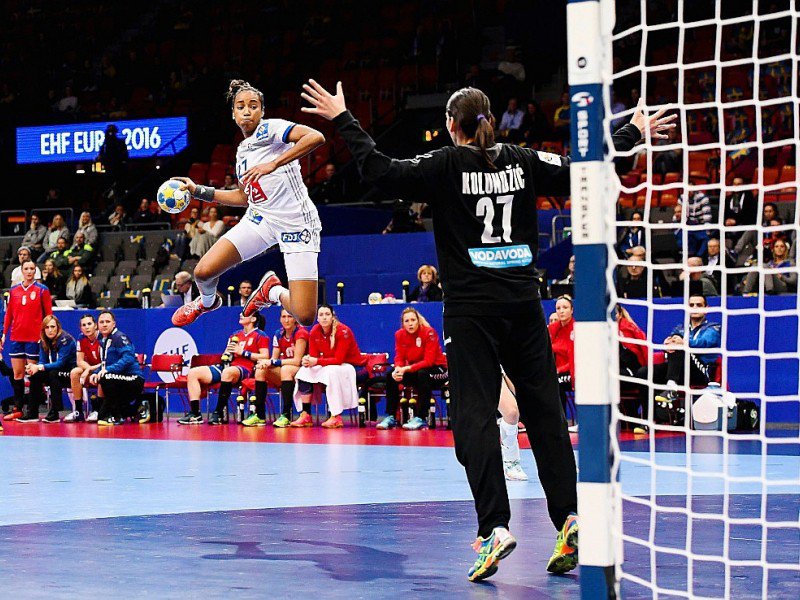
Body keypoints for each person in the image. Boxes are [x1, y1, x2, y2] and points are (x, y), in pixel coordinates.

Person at [300, 78, 675, 579]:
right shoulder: (523, 159)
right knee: (543, 413)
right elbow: (584, 168)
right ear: (492, 121)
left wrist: (344, 118)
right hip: (522, 304)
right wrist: (631, 132)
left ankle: (493, 528)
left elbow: (380, 171)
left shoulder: (442, 165)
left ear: (450, 127)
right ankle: (571, 517)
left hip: (471, 312)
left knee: (474, 419)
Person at [170, 79, 326, 329]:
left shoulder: (272, 129)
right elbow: (243, 197)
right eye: (240, 106)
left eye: (253, 106)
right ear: (233, 114)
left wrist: (274, 163)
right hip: (261, 218)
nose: (247, 111)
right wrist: (197, 190)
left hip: (297, 224)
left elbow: (315, 137)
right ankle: (208, 302)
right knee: (202, 272)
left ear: (262, 111)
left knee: (305, 316)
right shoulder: (242, 151)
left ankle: (271, 291)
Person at [632, 294, 720, 430]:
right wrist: (668, 343)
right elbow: (673, 339)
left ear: (706, 309)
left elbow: (704, 342)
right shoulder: (680, 328)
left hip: (699, 372)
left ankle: (671, 389)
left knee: (679, 348)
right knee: (644, 373)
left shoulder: (713, 328)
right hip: (679, 370)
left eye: (699, 305)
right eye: (691, 305)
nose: (695, 308)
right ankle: (647, 422)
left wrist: (682, 343)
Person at [177, 313, 269, 425]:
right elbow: (226, 354)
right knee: (193, 373)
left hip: (246, 369)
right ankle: (195, 414)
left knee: (227, 373)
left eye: (244, 314)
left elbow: (265, 356)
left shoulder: (260, 335)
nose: (240, 314)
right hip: (228, 365)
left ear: (253, 319)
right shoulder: (235, 335)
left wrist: (243, 352)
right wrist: (227, 353)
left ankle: (218, 413)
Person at [291, 304, 367, 429]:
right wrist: (307, 360)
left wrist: (316, 361)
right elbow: (315, 357)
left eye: (327, 314)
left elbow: (339, 359)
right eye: (321, 315)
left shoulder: (343, 331)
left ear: (333, 317)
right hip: (331, 365)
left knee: (331, 373)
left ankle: (335, 416)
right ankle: (306, 414)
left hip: (353, 366)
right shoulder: (315, 331)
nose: (324, 317)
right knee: (304, 372)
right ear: (317, 318)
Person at [377, 307, 448, 430]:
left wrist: (407, 368)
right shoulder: (399, 335)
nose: (410, 323)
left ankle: (421, 418)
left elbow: (429, 361)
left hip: (439, 370)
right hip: (416, 370)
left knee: (423, 374)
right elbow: (399, 356)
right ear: (403, 323)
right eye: (407, 321)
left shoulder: (428, 332)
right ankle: (391, 417)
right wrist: (398, 369)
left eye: (413, 320)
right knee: (391, 375)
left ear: (418, 321)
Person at [1, 261, 53, 421]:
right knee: (17, 373)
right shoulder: (14, 290)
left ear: (35, 271)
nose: (29, 271)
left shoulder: (42, 290)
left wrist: (46, 335)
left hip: (34, 338)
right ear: (21, 271)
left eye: (32, 268)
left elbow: (49, 315)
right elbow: (9, 314)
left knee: (33, 374)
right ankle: (18, 408)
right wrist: (4, 334)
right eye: (26, 269)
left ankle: (33, 411)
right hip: (16, 336)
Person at [247, 309, 308, 427]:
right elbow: (274, 359)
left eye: (289, 317)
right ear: (280, 319)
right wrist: (266, 363)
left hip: (303, 371)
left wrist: (273, 361)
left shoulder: (301, 333)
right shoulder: (278, 334)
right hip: (286, 372)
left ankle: (286, 415)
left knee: (286, 369)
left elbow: (297, 361)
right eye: (283, 317)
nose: (286, 320)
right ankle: (259, 415)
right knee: (261, 369)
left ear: (295, 319)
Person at [89, 311, 144, 426]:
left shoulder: (119, 337)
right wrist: (96, 372)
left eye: (107, 322)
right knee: (104, 376)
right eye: (101, 322)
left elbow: (128, 358)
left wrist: (107, 370)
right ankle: (127, 411)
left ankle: (115, 416)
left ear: (114, 324)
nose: (104, 325)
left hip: (134, 378)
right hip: (119, 377)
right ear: (97, 325)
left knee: (106, 377)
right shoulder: (103, 339)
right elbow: (106, 362)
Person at [20, 315, 77, 423]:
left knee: (53, 374)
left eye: (53, 327)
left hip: (70, 371)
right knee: (36, 375)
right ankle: (32, 413)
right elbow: (42, 361)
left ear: (58, 327)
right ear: (43, 329)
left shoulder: (66, 339)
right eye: (47, 327)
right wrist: (34, 368)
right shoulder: (43, 341)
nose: (50, 330)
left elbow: (61, 363)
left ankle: (55, 413)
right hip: (54, 370)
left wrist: (40, 367)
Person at [547, 296, 577, 432]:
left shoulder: (576, 329)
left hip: (573, 371)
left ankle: (561, 422)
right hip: (556, 371)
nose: (561, 311)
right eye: (558, 308)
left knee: (555, 384)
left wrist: (559, 370)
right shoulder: (552, 329)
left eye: (565, 308)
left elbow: (575, 357)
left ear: (572, 310)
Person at [66, 314, 103, 423]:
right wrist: (88, 369)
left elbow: (106, 362)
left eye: (89, 324)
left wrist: (89, 370)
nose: (87, 327)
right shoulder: (81, 338)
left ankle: (97, 410)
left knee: (100, 374)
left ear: (95, 325)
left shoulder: (102, 337)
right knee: (75, 372)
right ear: (81, 328)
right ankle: (78, 411)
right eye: (84, 325)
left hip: (102, 369)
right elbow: (79, 361)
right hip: (90, 370)